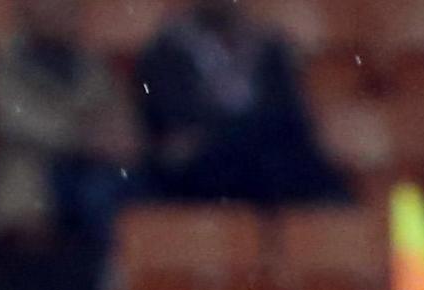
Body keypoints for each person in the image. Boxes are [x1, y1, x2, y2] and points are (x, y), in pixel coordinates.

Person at [0, 0, 138, 290]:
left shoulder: (89, 63)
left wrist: (103, 137)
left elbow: (113, 122)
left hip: (88, 180)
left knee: (112, 201)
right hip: (29, 177)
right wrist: (81, 137)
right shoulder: (6, 62)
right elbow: (12, 116)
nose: (61, 13)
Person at [134, 0, 345, 205]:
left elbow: (289, 116)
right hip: (202, 169)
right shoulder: (165, 50)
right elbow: (178, 124)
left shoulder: (269, 47)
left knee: (314, 178)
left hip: (265, 164)